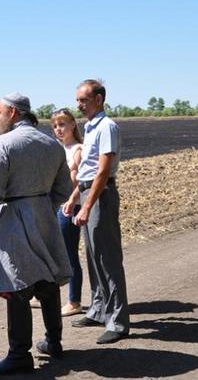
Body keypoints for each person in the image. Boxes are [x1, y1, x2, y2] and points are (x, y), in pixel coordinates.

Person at [0, 92, 73, 375]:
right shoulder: (51, 145)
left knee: (17, 284)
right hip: (44, 214)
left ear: (13, 113)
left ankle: (19, 354)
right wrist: (43, 208)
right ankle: (54, 342)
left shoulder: (3, 144)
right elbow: (64, 190)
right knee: (47, 279)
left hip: (12, 219)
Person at [64, 79, 130, 345]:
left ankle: (118, 321)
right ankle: (99, 309)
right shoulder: (90, 128)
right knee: (93, 257)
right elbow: (87, 171)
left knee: (107, 259)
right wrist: (74, 198)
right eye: (78, 100)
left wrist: (88, 205)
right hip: (89, 192)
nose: (79, 105)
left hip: (100, 196)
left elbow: (103, 172)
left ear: (99, 99)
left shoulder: (107, 127)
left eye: (84, 100)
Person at [30, 109, 84, 316]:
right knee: (48, 250)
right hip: (53, 206)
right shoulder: (55, 149)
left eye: (62, 124)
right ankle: (41, 295)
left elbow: (75, 181)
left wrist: (69, 200)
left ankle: (74, 301)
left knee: (69, 254)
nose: (58, 129)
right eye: (54, 126)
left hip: (68, 206)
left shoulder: (77, 149)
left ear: (73, 125)